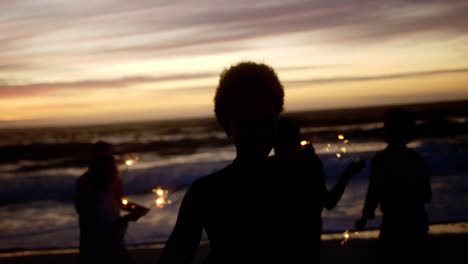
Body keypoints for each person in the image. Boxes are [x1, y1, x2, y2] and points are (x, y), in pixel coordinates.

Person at [158, 61, 297, 263]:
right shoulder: (206, 192)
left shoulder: (295, 179)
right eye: (247, 123)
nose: (258, 132)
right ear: (227, 127)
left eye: (265, 122)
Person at [272, 116, 365, 261]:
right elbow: (329, 202)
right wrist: (349, 172)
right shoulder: (309, 165)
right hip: (308, 238)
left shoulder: (264, 169)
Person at [355, 108, 432, 263]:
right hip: (417, 222)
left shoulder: (381, 160)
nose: (383, 129)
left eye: (386, 126)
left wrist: (365, 217)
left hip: (393, 224)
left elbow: (374, 192)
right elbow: (427, 195)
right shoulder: (415, 159)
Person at [75, 142, 148, 263]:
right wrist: (126, 219)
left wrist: (137, 209)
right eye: (113, 169)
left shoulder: (113, 182)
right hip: (97, 244)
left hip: (113, 240)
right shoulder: (85, 185)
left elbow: (121, 202)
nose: (116, 172)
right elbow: (93, 221)